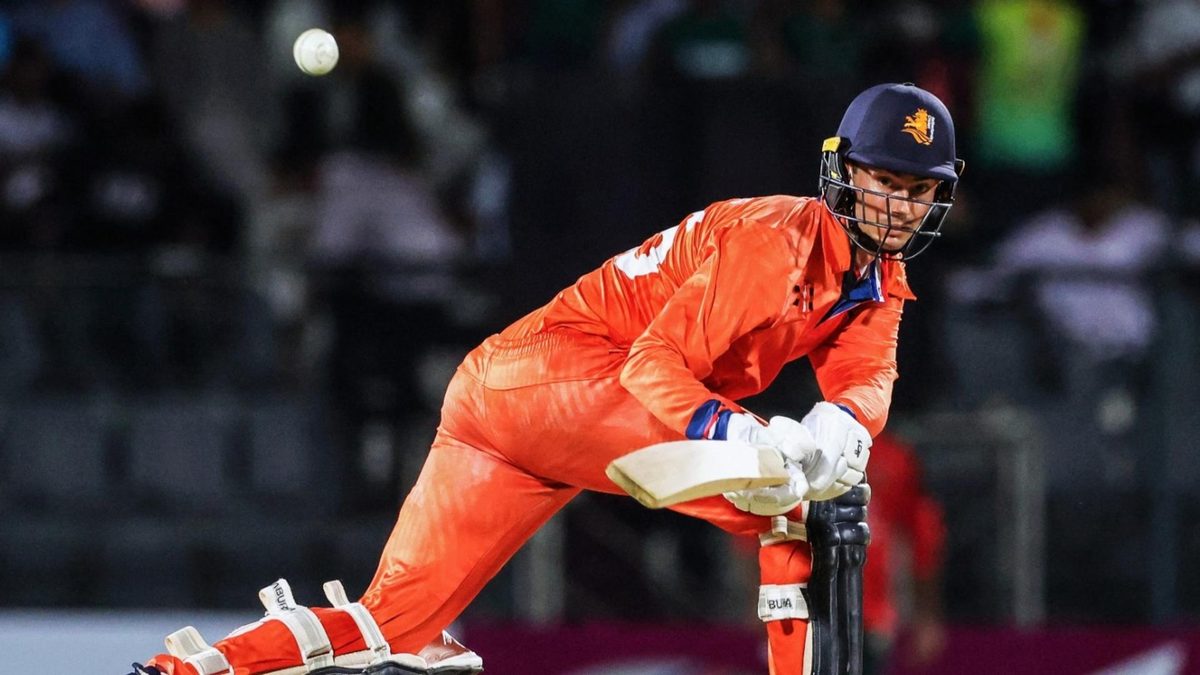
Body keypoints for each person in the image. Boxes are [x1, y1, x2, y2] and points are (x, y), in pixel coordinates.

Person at [131, 82, 962, 675]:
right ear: (841, 171)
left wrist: (846, 422)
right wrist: (744, 434)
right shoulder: (774, 241)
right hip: (569, 377)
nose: (899, 207)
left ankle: (188, 668)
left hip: (501, 394)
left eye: (919, 191)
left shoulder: (878, 281)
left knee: (396, 625)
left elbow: (865, 378)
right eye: (886, 182)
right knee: (788, 507)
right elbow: (653, 364)